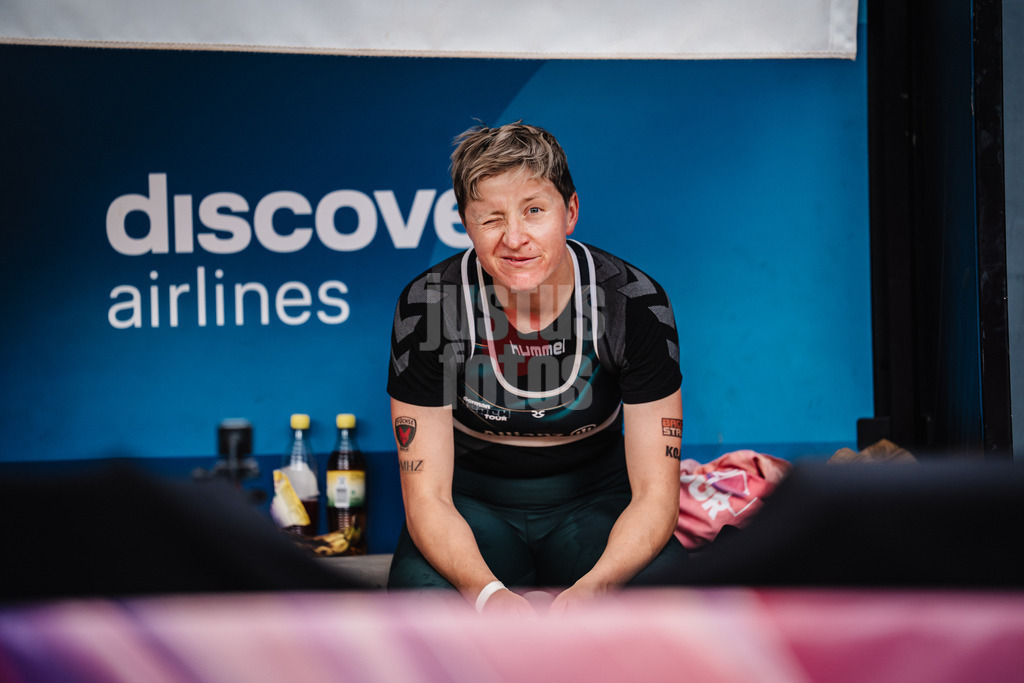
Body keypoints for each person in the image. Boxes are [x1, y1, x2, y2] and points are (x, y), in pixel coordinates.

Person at [386, 122, 687, 614]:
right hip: (470, 509)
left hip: (598, 507)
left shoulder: (631, 302)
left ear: (569, 212)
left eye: (533, 211)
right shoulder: (432, 305)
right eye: (491, 219)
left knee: (675, 608)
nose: (515, 238)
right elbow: (428, 498)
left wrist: (600, 586)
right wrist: (486, 596)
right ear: (465, 223)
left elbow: (656, 493)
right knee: (422, 618)